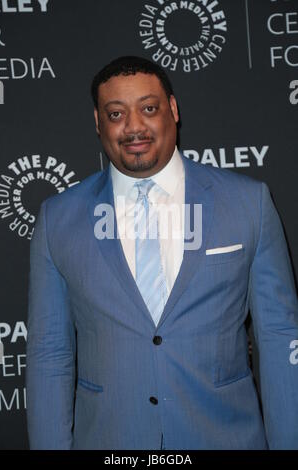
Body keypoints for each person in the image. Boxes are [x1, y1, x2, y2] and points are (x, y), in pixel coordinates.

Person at [26, 56, 298, 450]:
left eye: (148, 109)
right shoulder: (57, 220)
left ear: (173, 109)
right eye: (116, 113)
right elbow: (49, 352)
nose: (134, 126)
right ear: (98, 123)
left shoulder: (247, 203)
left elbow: (279, 336)